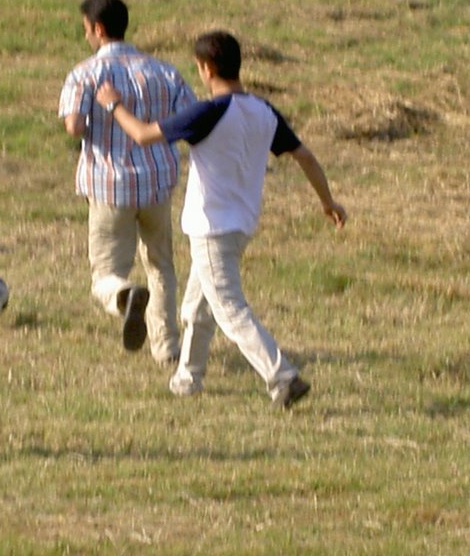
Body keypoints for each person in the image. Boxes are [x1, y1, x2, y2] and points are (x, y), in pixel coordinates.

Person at [95, 30, 347, 408]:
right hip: (242, 225)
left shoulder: (209, 111)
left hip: (211, 227)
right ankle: (187, 378)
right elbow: (305, 156)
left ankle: (282, 376)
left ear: (206, 68)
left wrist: (114, 105)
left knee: (228, 308)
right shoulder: (264, 111)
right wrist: (327, 201)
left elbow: (145, 135)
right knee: (195, 308)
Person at [58, 0, 196, 362]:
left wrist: (92, 121)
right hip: (157, 183)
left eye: (86, 30)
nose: (86, 36)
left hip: (109, 184)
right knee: (161, 265)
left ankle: (123, 297)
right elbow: (187, 120)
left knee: (106, 272)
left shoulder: (84, 74)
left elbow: (73, 126)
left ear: (99, 30)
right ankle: (166, 348)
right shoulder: (164, 71)